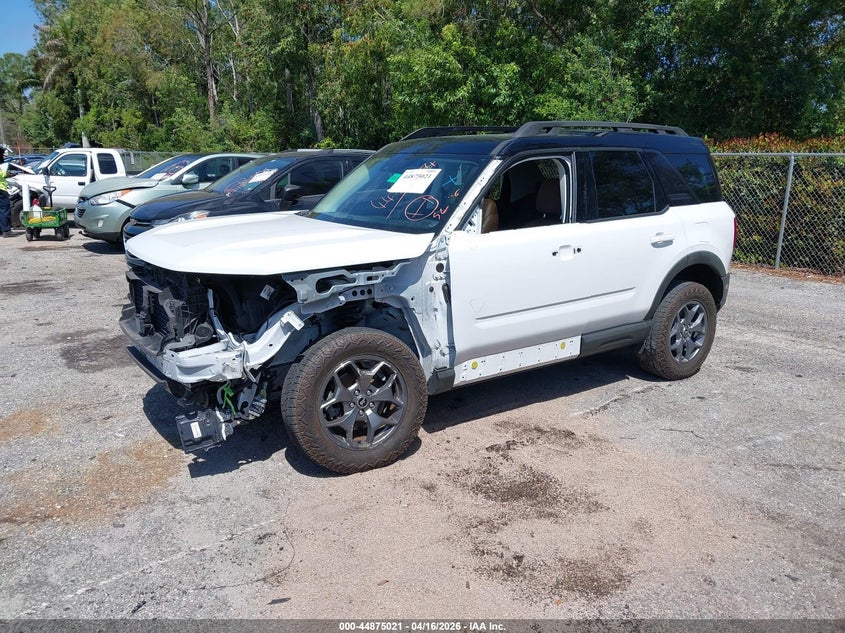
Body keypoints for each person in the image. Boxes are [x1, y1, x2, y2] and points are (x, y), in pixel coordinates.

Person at [0, 145, 13, 237]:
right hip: (1, 190)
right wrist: (8, 174)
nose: (4, 156)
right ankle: (6, 230)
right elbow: (1, 174)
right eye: (2, 154)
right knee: (4, 209)